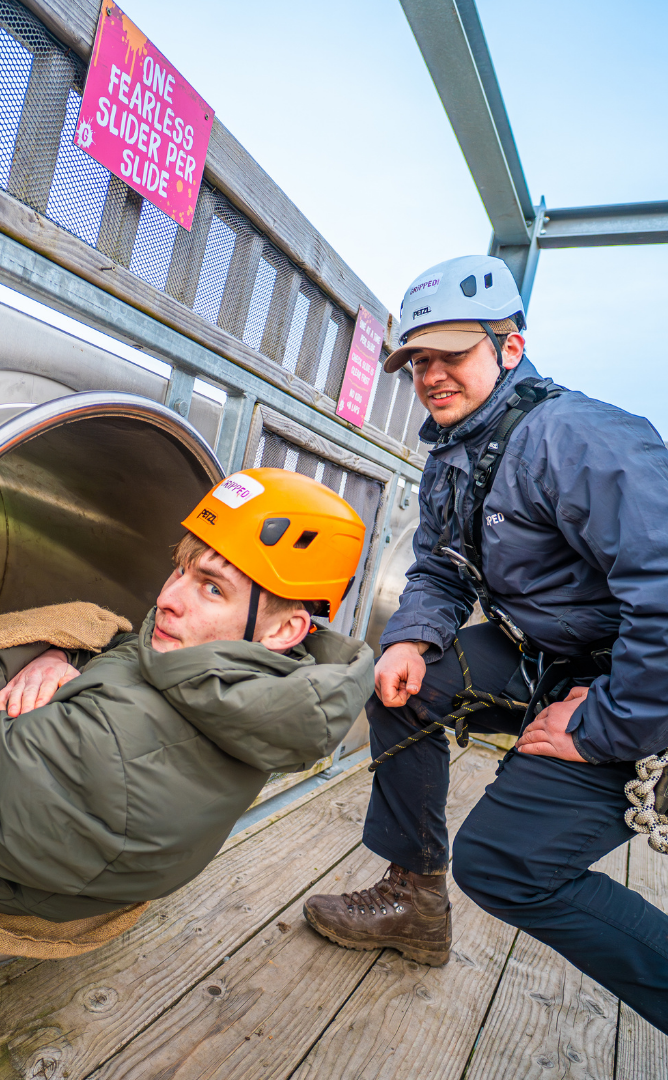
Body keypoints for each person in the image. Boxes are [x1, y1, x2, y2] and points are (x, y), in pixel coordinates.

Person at [301, 254, 668, 1033]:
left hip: (635, 684)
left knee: (505, 863)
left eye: (453, 354)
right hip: (550, 659)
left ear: (510, 346)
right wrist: (410, 639)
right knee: (403, 686)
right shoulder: (453, 452)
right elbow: (439, 566)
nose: (431, 376)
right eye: (418, 361)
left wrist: (600, 726)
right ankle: (414, 899)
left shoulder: (580, 439)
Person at [0, 468, 375, 921]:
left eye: (212, 589)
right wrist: (62, 658)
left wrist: (11, 656)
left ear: (284, 629)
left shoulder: (118, 744)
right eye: (180, 570)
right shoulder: (248, 684)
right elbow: (130, 653)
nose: (167, 598)